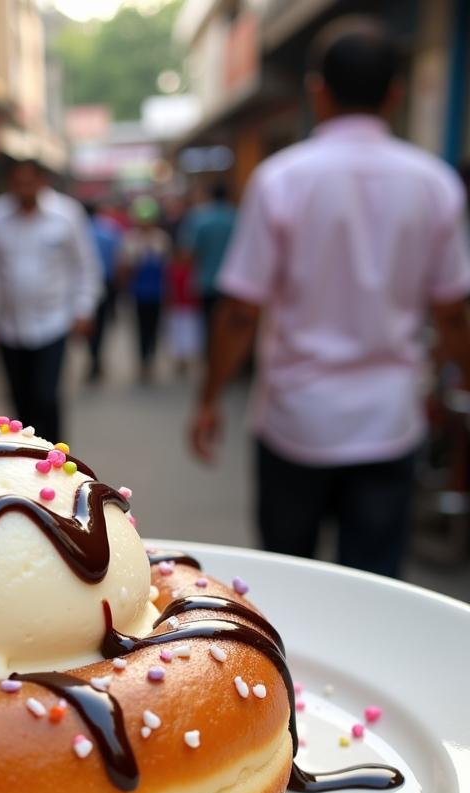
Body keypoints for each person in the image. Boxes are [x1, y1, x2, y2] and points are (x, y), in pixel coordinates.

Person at [189, 16, 470, 579]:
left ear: (318, 91)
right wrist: (458, 380)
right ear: (396, 93)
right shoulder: (435, 184)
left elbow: (242, 310)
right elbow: (453, 313)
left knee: (291, 579)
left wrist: (211, 398)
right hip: (390, 421)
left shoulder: (282, 179)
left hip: (297, 420)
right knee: (373, 583)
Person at [0, 159, 101, 440]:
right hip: (9, 326)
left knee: (46, 396)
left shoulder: (67, 214)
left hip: (53, 322)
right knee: (19, 402)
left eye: (29, 182)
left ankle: (57, 456)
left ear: (41, 182)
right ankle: (28, 462)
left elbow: (85, 265)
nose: (24, 188)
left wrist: (84, 308)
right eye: (18, 182)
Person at [179, 181, 236, 354]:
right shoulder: (237, 217)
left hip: (206, 281)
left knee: (208, 322)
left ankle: (211, 355)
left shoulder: (199, 219)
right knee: (231, 324)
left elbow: (188, 253)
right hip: (233, 284)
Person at [121, 195, 171, 384]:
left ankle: (150, 359)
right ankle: (143, 361)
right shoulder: (130, 240)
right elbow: (124, 267)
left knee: (155, 328)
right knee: (140, 328)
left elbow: (168, 269)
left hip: (157, 293)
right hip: (138, 293)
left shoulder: (162, 239)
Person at [83, 200, 123, 383]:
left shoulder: (81, 233)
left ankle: (93, 356)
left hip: (85, 286)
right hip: (107, 284)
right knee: (102, 323)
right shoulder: (109, 230)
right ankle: (96, 357)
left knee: (90, 323)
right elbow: (118, 257)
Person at [166, 242, 203, 374]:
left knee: (189, 333)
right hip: (177, 307)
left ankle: (187, 357)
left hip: (190, 307)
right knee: (178, 332)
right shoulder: (173, 269)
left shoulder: (193, 270)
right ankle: (179, 358)